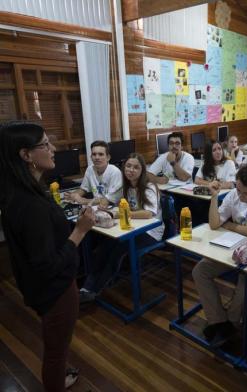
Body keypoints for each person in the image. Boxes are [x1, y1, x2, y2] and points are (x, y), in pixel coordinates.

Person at [0, 121, 95, 392]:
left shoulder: (19, 193)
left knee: (56, 343)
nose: (53, 149)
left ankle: (60, 375)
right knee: (55, 353)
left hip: (39, 289)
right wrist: (80, 230)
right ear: (26, 155)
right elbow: (47, 264)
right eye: (45, 144)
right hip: (55, 292)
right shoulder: (30, 204)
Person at [192, 164, 247, 348]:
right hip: (232, 249)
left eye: (246, 193)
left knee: (246, 281)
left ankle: (231, 323)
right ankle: (219, 321)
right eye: (238, 190)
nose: (240, 196)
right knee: (200, 270)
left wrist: (230, 225)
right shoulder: (234, 193)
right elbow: (214, 224)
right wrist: (214, 197)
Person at [80, 153, 164, 303]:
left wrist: (122, 213)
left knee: (117, 250)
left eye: (136, 167)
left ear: (142, 170)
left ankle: (94, 290)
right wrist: (101, 207)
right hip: (131, 228)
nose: (131, 170)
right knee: (103, 247)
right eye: (128, 166)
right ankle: (87, 287)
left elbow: (148, 213)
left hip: (150, 232)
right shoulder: (125, 186)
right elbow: (108, 201)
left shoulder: (149, 187)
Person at [65, 140, 122, 207]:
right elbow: (84, 188)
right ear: (91, 157)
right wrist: (75, 195)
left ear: (108, 157)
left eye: (101, 154)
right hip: (96, 207)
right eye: (94, 154)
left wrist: (83, 200)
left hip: (113, 209)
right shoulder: (90, 169)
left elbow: (108, 200)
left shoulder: (115, 172)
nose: (97, 157)